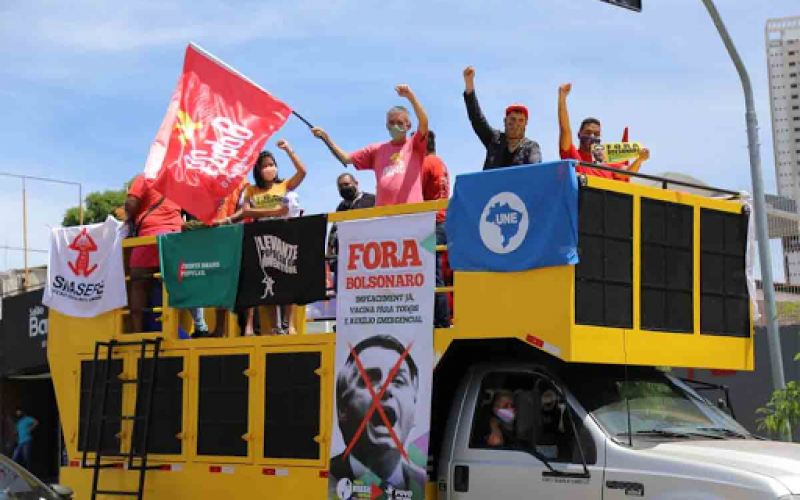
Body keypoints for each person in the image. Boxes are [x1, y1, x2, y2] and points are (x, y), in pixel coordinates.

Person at [227, 139, 307, 335]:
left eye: (272, 165)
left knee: (286, 278)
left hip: (284, 234)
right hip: (262, 236)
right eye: (265, 166)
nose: (269, 169)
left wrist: (289, 150)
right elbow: (246, 212)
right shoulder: (252, 190)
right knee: (268, 280)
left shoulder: (284, 185)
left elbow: (302, 172)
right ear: (258, 170)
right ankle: (274, 325)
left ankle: (290, 324)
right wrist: (274, 211)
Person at [331, 335, 425, 496]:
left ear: (414, 409)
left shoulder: (422, 481)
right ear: (342, 409)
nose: (385, 388)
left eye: (398, 380)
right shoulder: (329, 478)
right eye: (369, 379)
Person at [311, 85, 429, 206]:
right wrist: (326, 138)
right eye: (391, 123)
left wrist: (410, 97)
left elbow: (424, 122)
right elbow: (345, 158)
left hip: (412, 211)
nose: (395, 126)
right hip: (383, 214)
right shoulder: (376, 150)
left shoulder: (414, 144)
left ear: (408, 126)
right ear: (387, 125)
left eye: (400, 123)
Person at [125, 175, 183, 332]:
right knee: (169, 283)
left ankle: (137, 331)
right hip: (176, 236)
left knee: (138, 282)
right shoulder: (180, 180)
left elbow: (131, 204)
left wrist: (128, 218)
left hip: (151, 235)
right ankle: (172, 329)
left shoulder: (145, 178)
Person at [558, 83, 650, 180]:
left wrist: (639, 160)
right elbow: (565, 130)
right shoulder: (573, 155)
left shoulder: (604, 158)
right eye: (588, 132)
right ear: (579, 134)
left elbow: (626, 173)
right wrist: (562, 97)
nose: (592, 136)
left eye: (596, 134)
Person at [462, 66, 542, 170]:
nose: (516, 124)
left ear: (526, 124)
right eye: (512, 119)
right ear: (505, 121)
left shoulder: (532, 147)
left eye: (520, 120)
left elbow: (536, 170)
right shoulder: (494, 139)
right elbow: (477, 120)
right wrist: (469, 85)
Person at [421, 131, 451, 328]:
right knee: (435, 270)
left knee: (430, 273)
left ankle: (439, 321)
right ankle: (442, 319)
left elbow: (414, 192)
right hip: (441, 221)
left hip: (430, 223)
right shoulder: (440, 163)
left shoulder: (425, 164)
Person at [327, 174, 376, 290]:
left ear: (356, 183)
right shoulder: (341, 207)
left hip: (368, 259)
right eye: (340, 186)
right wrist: (329, 257)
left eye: (347, 184)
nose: (344, 188)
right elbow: (333, 233)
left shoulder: (371, 200)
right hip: (344, 261)